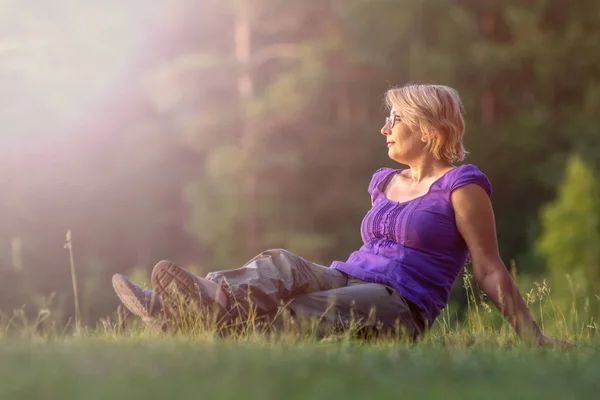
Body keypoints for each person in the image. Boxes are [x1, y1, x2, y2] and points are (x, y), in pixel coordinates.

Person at [112, 84, 570, 346]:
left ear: (428, 130)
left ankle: (188, 318)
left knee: (300, 312)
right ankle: (195, 306)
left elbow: (488, 269)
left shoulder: (462, 186)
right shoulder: (384, 183)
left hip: (400, 304)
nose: (384, 128)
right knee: (281, 263)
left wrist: (535, 337)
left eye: (395, 120)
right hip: (348, 277)